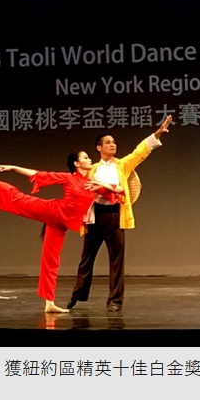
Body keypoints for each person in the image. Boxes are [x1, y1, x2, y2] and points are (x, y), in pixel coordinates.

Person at [0, 151, 122, 313]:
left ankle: (49, 304)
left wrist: (102, 185)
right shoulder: (68, 178)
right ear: (76, 163)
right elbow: (39, 174)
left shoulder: (92, 183)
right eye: (85, 157)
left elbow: (119, 189)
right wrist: (14, 168)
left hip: (60, 225)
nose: (90, 160)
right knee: (17, 197)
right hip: (52, 211)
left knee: (51, 260)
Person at [67, 114, 173, 313]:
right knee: (86, 259)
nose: (112, 145)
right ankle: (78, 294)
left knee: (117, 262)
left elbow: (139, 152)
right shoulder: (92, 169)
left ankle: (115, 301)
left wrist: (157, 134)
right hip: (95, 216)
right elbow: (78, 185)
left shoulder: (122, 165)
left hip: (115, 216)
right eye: (108, 142)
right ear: (99, 147)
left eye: (114, 142)